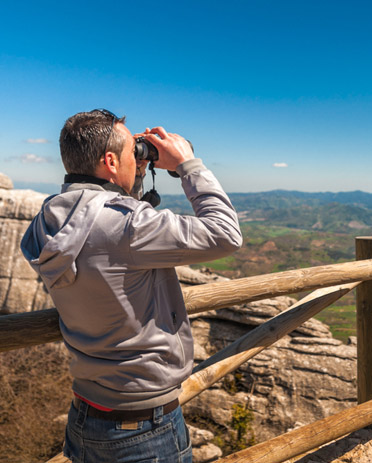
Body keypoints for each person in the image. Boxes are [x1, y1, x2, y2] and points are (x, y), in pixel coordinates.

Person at [21, 109, 242, 463]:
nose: (137, 158)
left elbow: (105, 227)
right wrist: (188, 164)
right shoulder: (128, 228)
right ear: (110, 161)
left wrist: (133, 173)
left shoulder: (47, 221)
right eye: (131, 153)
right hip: (142, 429)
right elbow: (226, 234)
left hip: (86, 415)